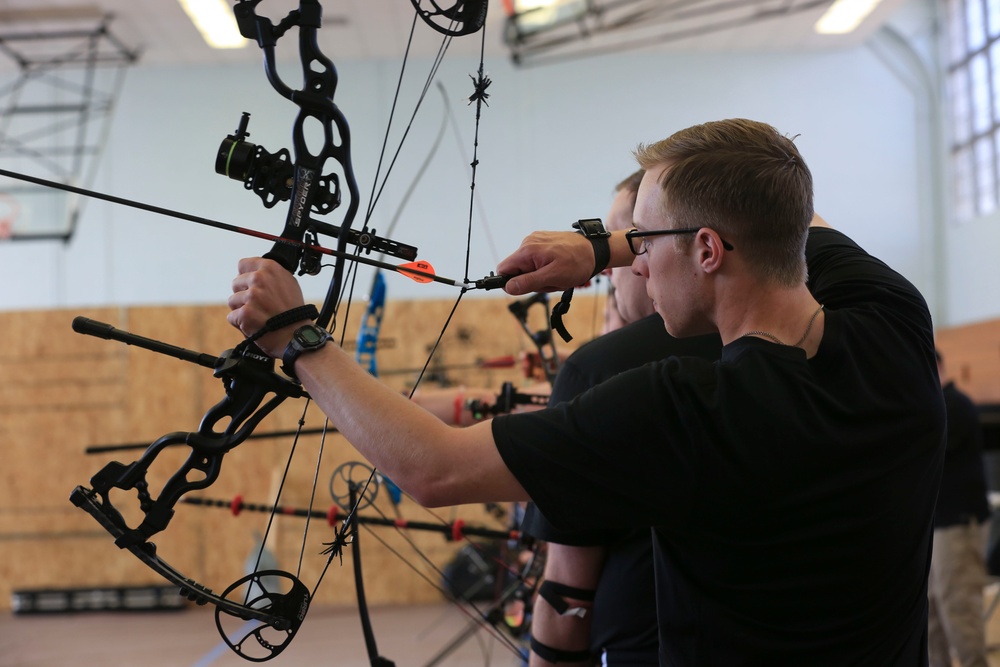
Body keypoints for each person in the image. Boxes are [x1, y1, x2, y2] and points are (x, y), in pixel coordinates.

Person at [228, 118, 945, 665]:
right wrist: (602, 245)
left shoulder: (687, 411)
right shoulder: (893, 321)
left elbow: (434, 467)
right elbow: (781, 209)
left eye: (645, 241)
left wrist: (295, 336)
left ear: (705, 250)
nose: (631, 265)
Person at [522, 169, 722, 667]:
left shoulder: (599, 369)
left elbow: (568, 590)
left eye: (627, 241)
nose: (608, 267)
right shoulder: (784, 344)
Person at [927, 349, 990, 667]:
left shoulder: (955, 405)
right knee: (932, 615)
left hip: (957, 525)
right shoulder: (934, 405)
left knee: (959, 611)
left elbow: (927, 452)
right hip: (935, 526)